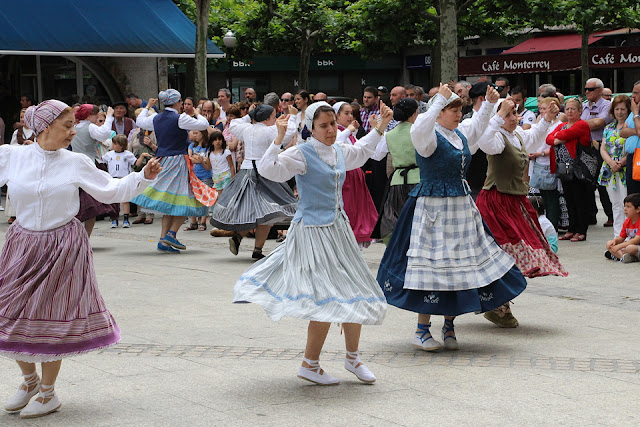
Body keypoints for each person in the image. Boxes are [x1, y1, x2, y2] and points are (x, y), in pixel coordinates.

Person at [0, 100, 161, 419]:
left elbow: (111, 190)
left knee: (48, 317)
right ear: (44, 127)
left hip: (63, 245)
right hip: (21, 243)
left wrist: (143, 177)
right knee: (8, 315)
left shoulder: (75, 162)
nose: (74, 131)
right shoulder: (12, 156)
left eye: (74, 124)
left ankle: (48, 394)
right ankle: (30, 381)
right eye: (67, 125)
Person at [234, 101, 392, 385]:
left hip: (339, 231)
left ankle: (352, 358)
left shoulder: (339, 150)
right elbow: (269, 169)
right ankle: (310, 364)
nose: (331, 130)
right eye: (324, 126)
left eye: (333, 124)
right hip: (312, 232)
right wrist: (279, 139)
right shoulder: (302, 153)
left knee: (353, 288)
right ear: (311, 127)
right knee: (324, 297)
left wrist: (380, 126)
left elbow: (364, 151)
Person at [377, 84, 527, 350]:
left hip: (460, 207)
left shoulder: (459, 134)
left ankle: (449, 325)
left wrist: (490, 105)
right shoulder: (428, 135)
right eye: (452, 110)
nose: (458, 115)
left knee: (460, 266)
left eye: (459, 110)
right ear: (439, 113)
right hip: (433, 208)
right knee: (432, 265)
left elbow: (478, 127)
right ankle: (422, 329)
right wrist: (438, 101)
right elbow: (419, 128)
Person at [476, 98, 568, 327]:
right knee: (502, 254)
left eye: (514, 114)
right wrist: (497, 117)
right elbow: (485, 141)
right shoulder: (496, 137)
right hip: (495, 202)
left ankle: (498, 303)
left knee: (519, 253)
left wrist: (546, 119)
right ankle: (497, 305)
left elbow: (534, 138)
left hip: (514, 202)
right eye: (508, 115)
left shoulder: (517, 136)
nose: (513, 118)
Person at [132, 90, 216, 253]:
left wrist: (147, 107)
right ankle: (171, 234)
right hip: (178, 161)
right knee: (183, 200)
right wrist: (197, 113)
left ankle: (163, 239)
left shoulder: (156, 118)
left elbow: (141, 121)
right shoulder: (180, 118)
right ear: (177, 102)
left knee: (169, 202)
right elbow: (203, 125)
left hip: (162, 160)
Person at [210, 104, 298, 259]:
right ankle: (257, 249)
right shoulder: (269, 130)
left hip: (246, 171)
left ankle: (239, 238)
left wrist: (249, 115)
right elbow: (289, 133)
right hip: (265, 173)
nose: (275, 118)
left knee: (253, 212)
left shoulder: (247, 128)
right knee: (268, 213)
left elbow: (234, 124)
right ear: (267, 118)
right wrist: (293, 116)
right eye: (273, 116)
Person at [547, 98, 593, 242]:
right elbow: (548, 138)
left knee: (580, 200)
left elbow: (565, 135)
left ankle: (581, 230)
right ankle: (572, 229)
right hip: (564, 168)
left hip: (578, 168)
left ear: (580, 111)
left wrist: (557, 138)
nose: (570, 111)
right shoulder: (563, 125)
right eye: (567, 109)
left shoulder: (582, 125)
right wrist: (556, 139)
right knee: (569, 200)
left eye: (573, 109)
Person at [333, 101, 379, 248]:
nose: (349, 116)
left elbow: (363, 148)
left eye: (351, 113)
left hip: (355, 174)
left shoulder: (350, 133)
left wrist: (374, 129)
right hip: (345, 175)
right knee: (349, 208)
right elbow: (335, 145)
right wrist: (349, 130)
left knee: (358, 208)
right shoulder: (337, 132)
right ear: (336, 115)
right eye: (345, 113)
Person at [72, 104, 120, 236]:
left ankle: (78, 235)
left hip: (75, 167)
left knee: (77, 203)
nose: (97, 117)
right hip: (89, 166)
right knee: (91, 204)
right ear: (89, 116)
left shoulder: (74, 127)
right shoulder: (90, 127)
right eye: (95, 115)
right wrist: (109, 117)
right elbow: (104, 134)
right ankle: (86, 236)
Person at [377, 98, 420, 240]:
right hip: (418, 180)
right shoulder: (418, 132)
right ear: (415, 113)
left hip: (396, 182)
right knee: (418, 221)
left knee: (397, 221)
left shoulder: (389, 135)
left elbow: (377, 155)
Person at [582, 78, 614, 227]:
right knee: (586, 183)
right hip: (585, 147)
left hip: (602, 148)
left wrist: (577, 125)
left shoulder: (608, 106)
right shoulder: (583, 106)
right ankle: (590, 216)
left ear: (600, 91)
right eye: (586, 89)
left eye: (591, 89)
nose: (587, 91)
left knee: (603, 184)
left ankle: (611, 215)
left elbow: (598, 123)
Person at [598, 95, 630, 237]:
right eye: (616, 109)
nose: (619, 112)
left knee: (627, 205)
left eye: (623, 109)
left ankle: (630, 235)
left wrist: (621, 162)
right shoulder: (608, 127)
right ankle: (618, 235)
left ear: (628, 110)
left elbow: (633, 149)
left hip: (625, 168)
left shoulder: (631, 127)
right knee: (615, 204)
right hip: (609, 169)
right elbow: (603, 149)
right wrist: (611, 163)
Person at [102, 134, 146, 228]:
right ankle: (115, 219)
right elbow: (101, 161)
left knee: (125, 200)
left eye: (115, 144)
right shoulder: (109, 154)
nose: (113, 145)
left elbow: (136, 163)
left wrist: (142, 156)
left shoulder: (128, 154)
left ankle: (126, 219)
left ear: (121, 145)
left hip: (124, 179)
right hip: (112, 179)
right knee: (114, 200)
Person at [128, 108, 157, 225]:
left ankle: (149, 214)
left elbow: (159, 149)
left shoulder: (156, 133)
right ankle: (140, 214)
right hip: (138, 164)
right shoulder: (135, 134)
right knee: (138, 188)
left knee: (149, 189)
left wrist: (151, 144)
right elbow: (130, 148)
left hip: (150, 163)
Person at [183, 129, 213, 232]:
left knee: (204, 198)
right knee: (192, 198)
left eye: (197, 133)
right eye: (193, 133)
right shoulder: (192, 146)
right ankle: (193, 221)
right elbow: (189, 158)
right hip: (193, 176)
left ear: (203, 134)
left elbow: (208, 165)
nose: (194, 135)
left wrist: (198, 159)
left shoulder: (208, 147)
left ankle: (203, 222)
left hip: (205, 176)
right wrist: (199, 159)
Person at [605, 193, 640, 263]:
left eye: (628, 207)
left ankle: (618, 256)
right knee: (609, 243)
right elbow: (622, 237)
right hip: (629, 245)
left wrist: (619, 246)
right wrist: (615, 241)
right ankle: (624, 257)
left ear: (638, 209)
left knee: (630, 248)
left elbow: (636, 240)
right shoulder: (627, 221)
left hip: (636, 246)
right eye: (624, 206)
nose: (625, 209)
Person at [623, 81, 640, 195]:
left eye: (636, 93)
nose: (632, 96)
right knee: (632, 195)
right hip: (631, 157)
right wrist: (636, 132)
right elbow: (623, 132)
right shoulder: (634, 110)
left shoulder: (635, 111)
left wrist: (636, 114)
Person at [209, 130, 235, 195]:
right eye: (215, 140)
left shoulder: (226, 152)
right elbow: (209, 166)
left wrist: (233, 177)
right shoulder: (210, 154)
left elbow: (231, 165)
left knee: (226, 194)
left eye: (219, 139)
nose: (217, 141)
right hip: (216, 176)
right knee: (219, 194)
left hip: (226, 175)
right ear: (212, 142)